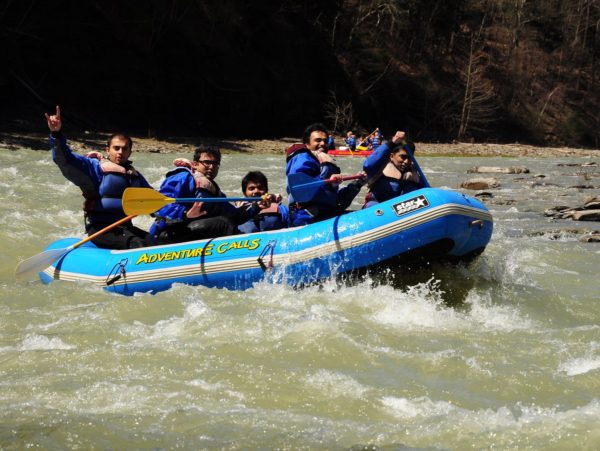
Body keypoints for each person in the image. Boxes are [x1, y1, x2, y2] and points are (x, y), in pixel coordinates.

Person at [45, 105, 152, 249]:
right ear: (107, 150)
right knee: (137, 243)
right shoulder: (94, 168)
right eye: (116, 148)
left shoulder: (135, 176)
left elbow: (153, 199)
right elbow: (65, 160)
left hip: (125, 228)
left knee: (156, 241)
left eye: (125, 148)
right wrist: (56, 134)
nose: (120, 152)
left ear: (130, 152)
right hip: (101, 230)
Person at [149, 146, 270, 244]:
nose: (212, 167)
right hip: (168, 232)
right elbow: (160, 205)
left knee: (227, 220)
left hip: (192, 232)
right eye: (207, 162)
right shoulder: (183, 177)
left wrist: (257, 206)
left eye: (215, 163)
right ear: (195, 164)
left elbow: (234, 217)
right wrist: (185, 213)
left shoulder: (216, 193)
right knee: (222, 223)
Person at [285, 123, 365, 227]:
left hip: (324, 216)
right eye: (318, 140)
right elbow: (301, 191)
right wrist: (326, 172)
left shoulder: (321, 163)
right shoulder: (302, 158)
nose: (323, 143)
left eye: (325, 141)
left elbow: (336, 202)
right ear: (307, 144)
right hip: (306, 219)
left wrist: (357, 184)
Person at [362, 130, 422, 208]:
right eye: (402, 157)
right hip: (379, 211)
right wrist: (392, 143)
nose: (406, 161)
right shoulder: (378, 169)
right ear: (391, 156)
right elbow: (368, 165)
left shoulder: (414, 172)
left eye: (410, 158)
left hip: (406, 214)